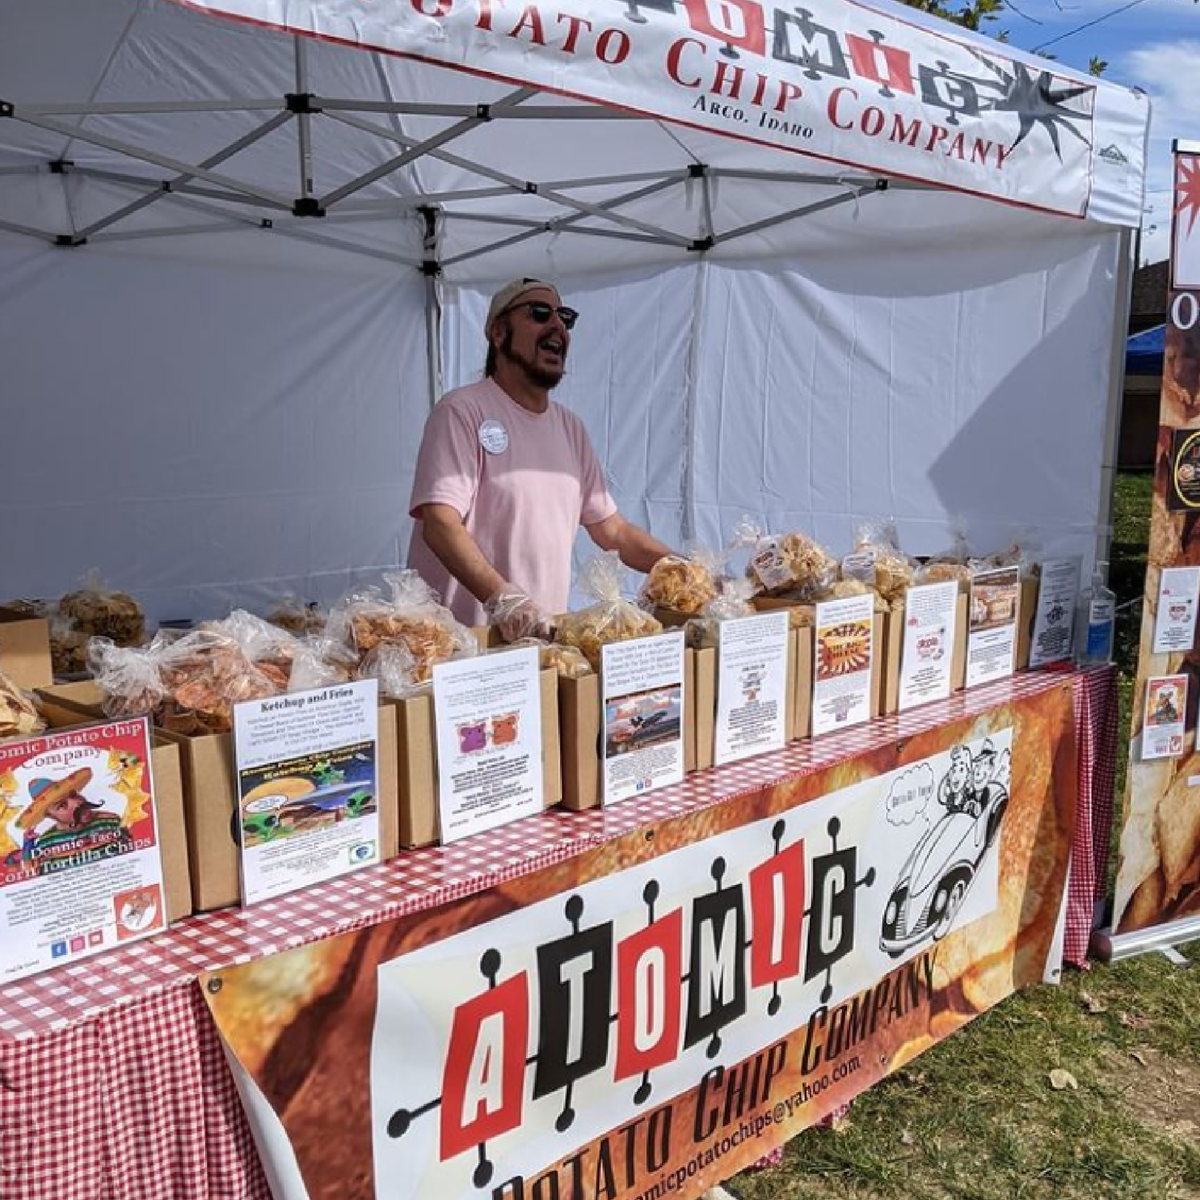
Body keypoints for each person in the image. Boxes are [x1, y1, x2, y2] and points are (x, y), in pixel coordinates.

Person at [407, 278, 672, 641]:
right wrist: (504, 599)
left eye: (565, 317)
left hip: (540, 641)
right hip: (463, 647)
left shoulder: (570, 428)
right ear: (498, 333)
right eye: (539, 313)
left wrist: (678, 567)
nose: (557, 326)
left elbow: (614, 531)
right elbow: (439, 523)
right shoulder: (461, 411)